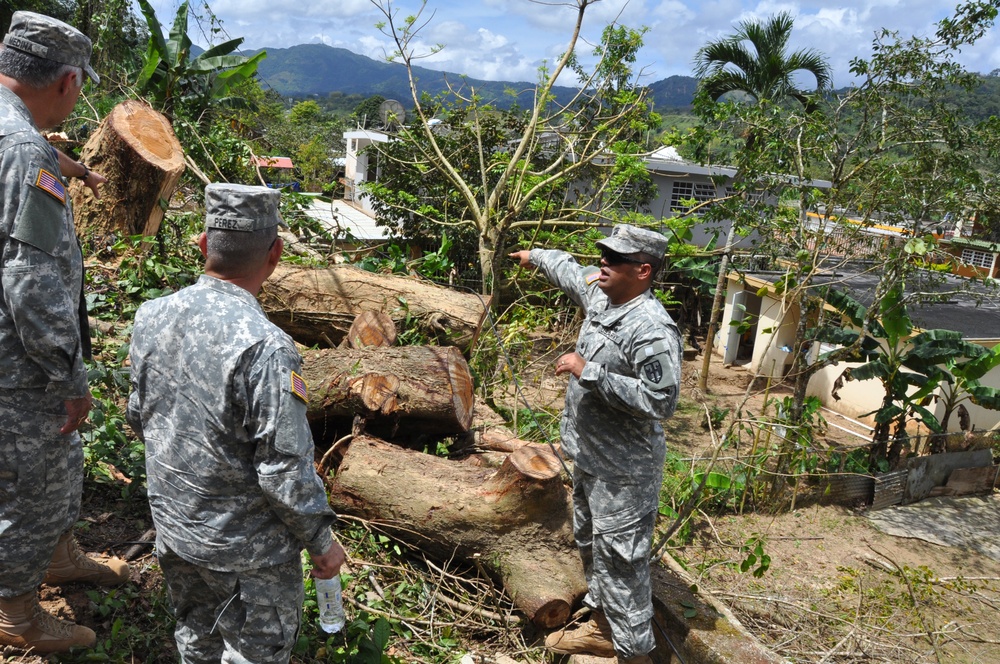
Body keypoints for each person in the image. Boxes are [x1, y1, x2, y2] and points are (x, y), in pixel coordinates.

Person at [126, 183, 346, 664]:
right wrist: (322, 544)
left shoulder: (150, 315)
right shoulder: (267, 347)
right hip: (247, 556)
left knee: (195, 638)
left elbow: (138, 417)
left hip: (176, 531)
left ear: (204, 245)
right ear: (276, 254)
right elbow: (284, 473)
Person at [0, 11, 127, 655]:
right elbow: (30, 284)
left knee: (56, 464)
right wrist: (67, 372)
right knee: (28, 478)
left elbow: (25, 157)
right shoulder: (22, 151)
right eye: (80, 87)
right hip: (18, 359)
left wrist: (65, 166)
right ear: (67, 80)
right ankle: (18, 617)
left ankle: (59, 554)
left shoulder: (12, 131)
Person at [509, 224, 682, 664]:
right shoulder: (602, 293)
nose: (603, 262)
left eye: (615, 258)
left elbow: (661, 402)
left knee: (622, 562)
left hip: (624, 473)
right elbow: (571, 270)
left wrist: (591, 372)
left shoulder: (651, 329)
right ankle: (604, 629)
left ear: (643, 271)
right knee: (590, 543)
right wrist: (536, 257)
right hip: (589, 459)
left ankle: (633, 653)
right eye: (604, 253)